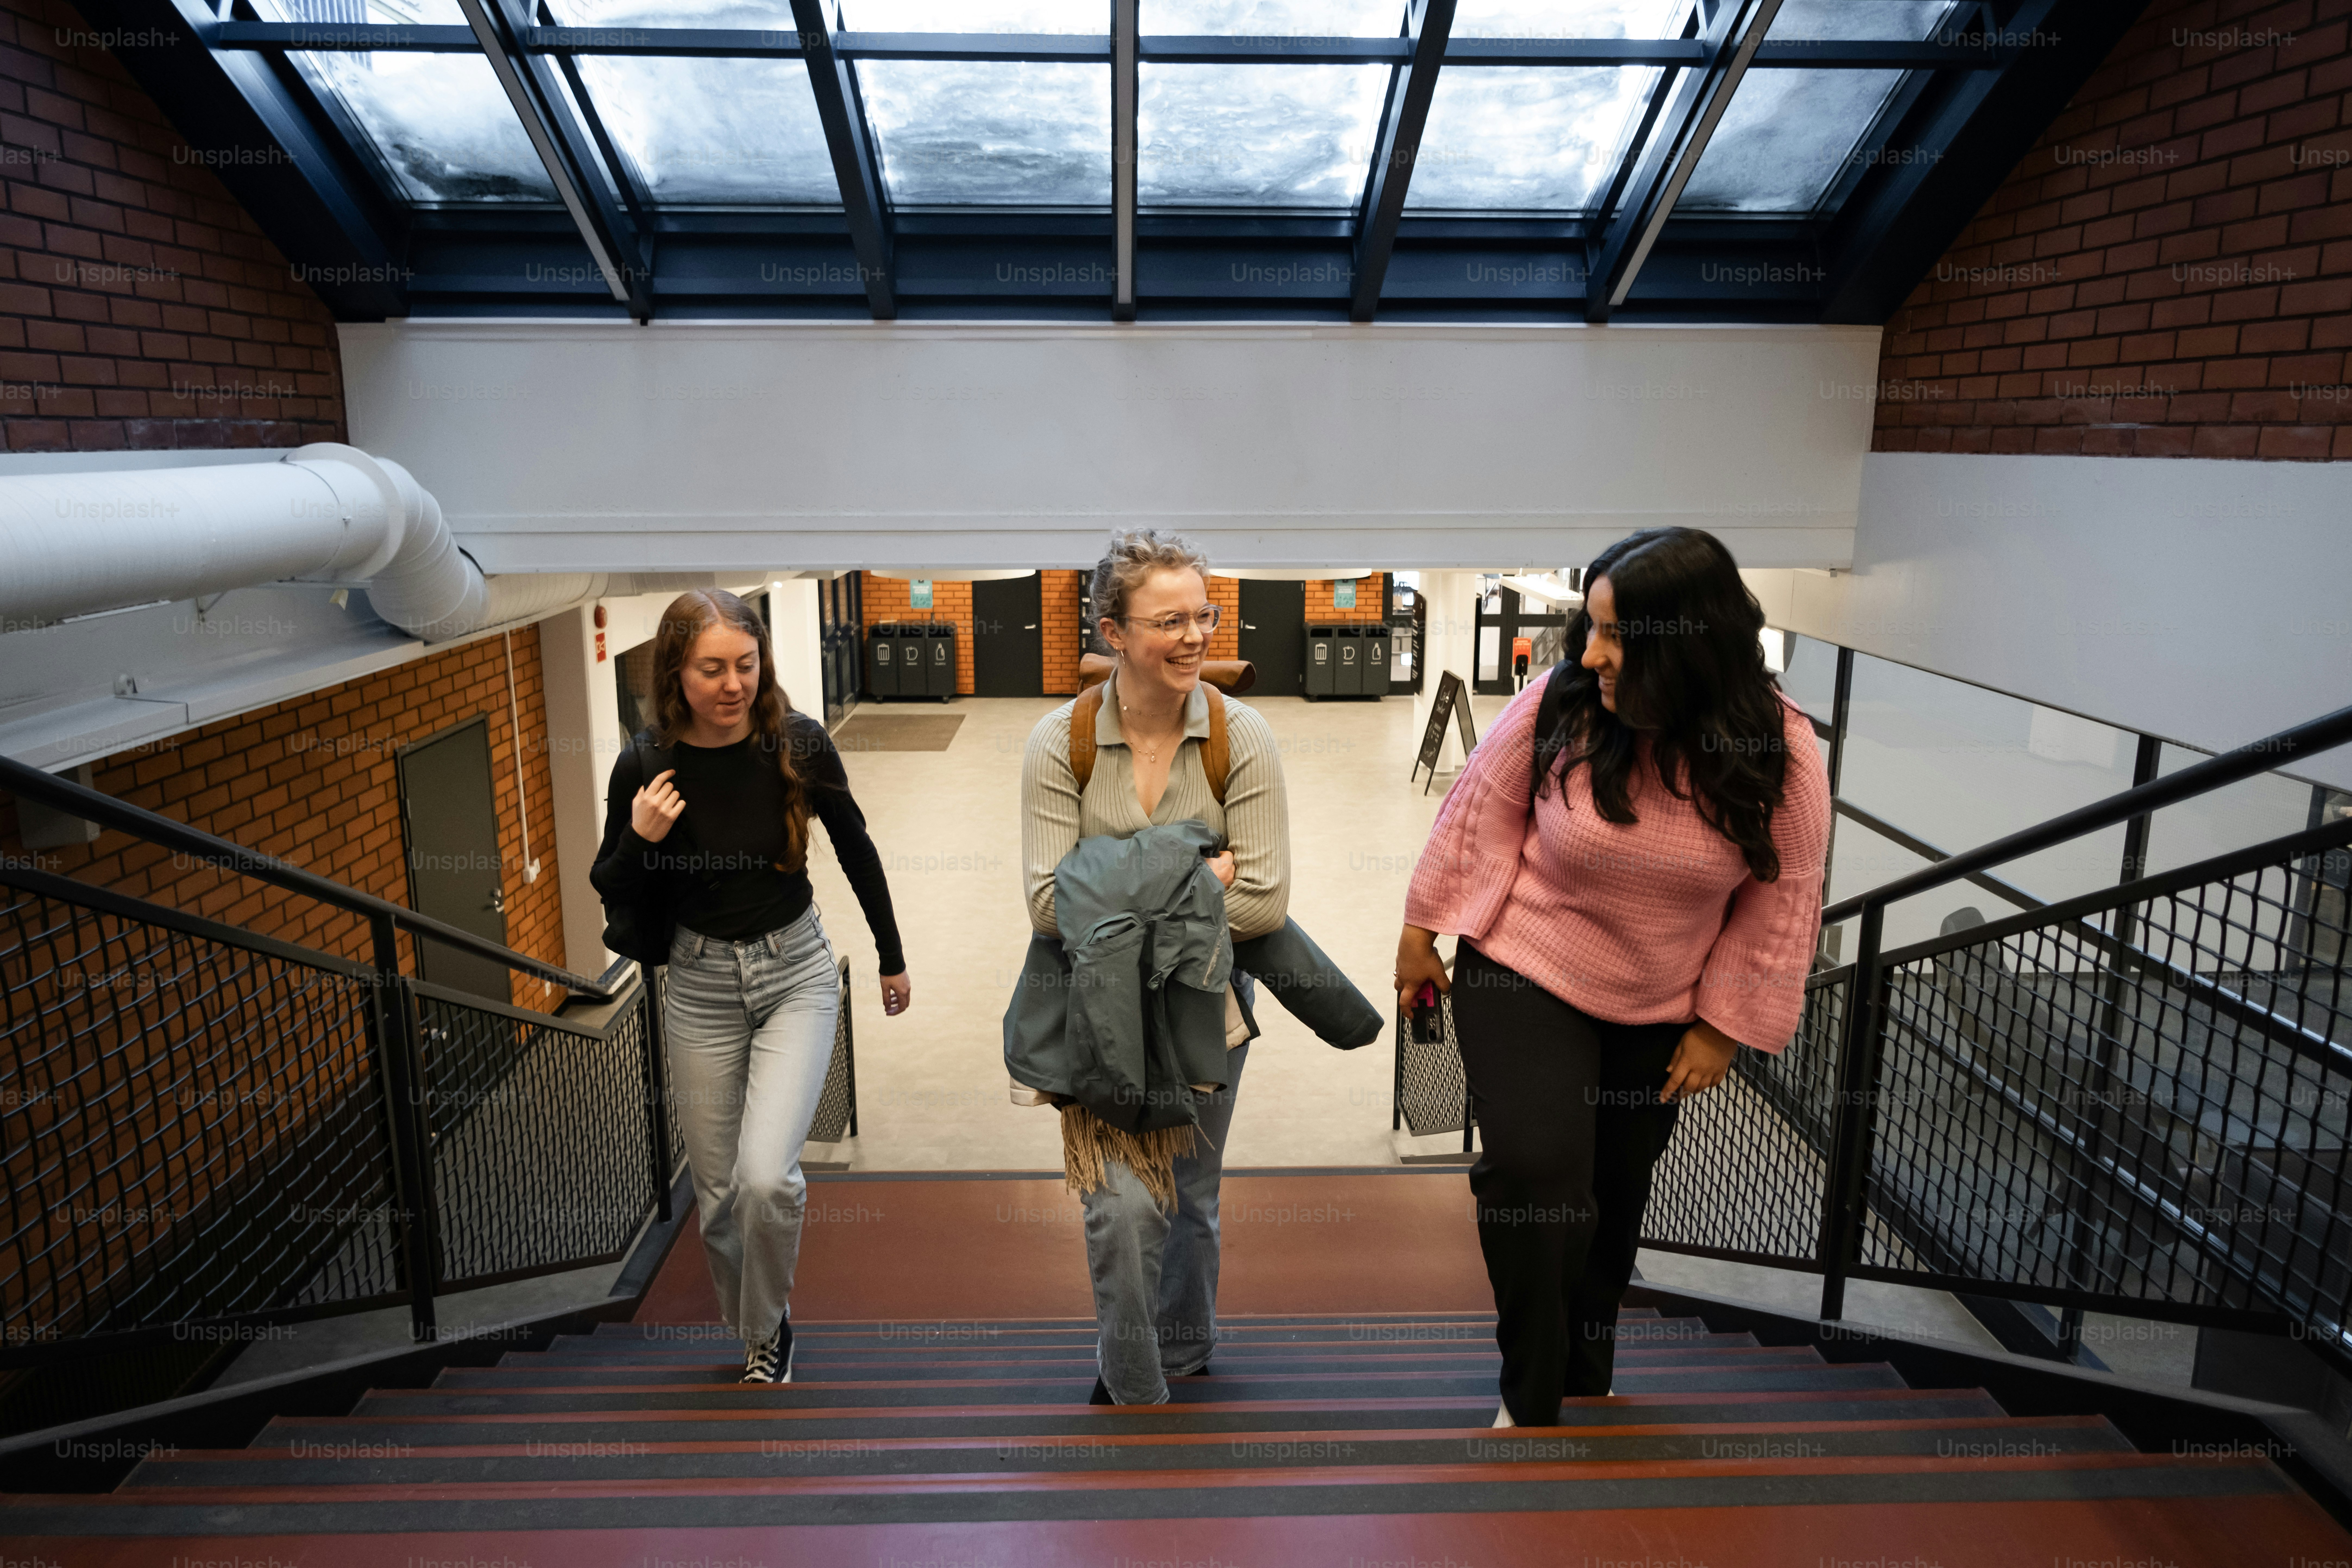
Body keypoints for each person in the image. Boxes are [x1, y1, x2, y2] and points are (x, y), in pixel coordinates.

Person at [1394, 527, 1830, 1429]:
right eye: (1590, 628)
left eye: (1616, 637)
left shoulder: (1780, 754)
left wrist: (1724, 1023)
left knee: (1609, 1204)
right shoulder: (1564, 702)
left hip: (1661, 1005)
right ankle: (1533, 1392)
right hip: (1526, 966)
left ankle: (1584, 1381)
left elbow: (1781, 899)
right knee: (1537, 1177)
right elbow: (1481, 808)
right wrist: (1421, 930)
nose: (1589, 653)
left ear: (1686, 646)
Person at [590, 589, 909, 1384]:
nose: (732, 685)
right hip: (699, 987)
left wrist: (890, 955)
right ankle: (752, 1323)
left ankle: (766, 1327)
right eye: (711, 669)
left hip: (795, 972)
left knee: (768, 1178)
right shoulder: (644, 762)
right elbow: (610, 883)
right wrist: (641, 837)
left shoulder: (796, 743)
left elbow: (856, 846)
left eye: (745, 664)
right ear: (675, 671)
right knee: (720, 1190)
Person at [1018, 530, 1290, 1406]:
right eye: (1168, 619)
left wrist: (1113, 886)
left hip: (1209, 1010)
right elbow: (1046, 908)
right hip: (1095, 1012)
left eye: (1203, 614)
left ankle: (1184, 1348)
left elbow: (1266, 903)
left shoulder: (1238, 738)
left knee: (1192, 1199)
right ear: (1112, 631)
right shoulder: (1059, 745)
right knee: (1121, 1206)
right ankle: (1133, 1382)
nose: (1196, 635)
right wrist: (1189, 879)